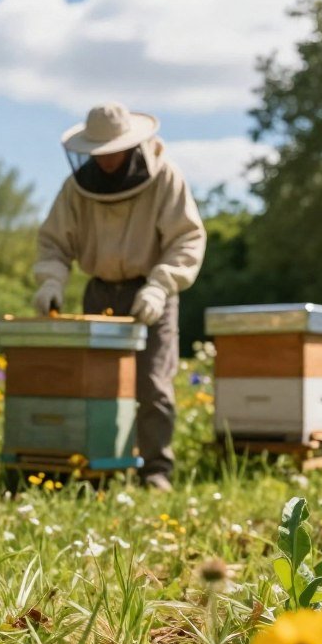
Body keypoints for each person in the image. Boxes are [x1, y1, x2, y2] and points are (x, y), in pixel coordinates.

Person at [33, 102, 207, 491]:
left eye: (113, 151)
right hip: (99, 292)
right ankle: (101, 467)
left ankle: (155, 471)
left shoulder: (165, 177)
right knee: (97, 387)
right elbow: (53, 243)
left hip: (152, 291)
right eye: (99, 153)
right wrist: (51, 282)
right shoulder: (76, 188)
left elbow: (187, 238)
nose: (106, 160)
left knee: (153, 384)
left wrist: (160, 285)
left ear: (131, 145)